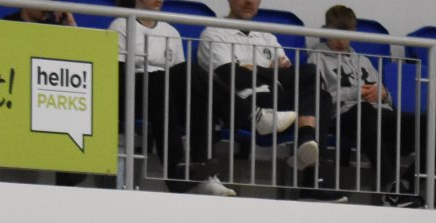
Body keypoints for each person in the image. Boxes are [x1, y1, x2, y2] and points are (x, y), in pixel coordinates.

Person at [115, 0, 238, 196]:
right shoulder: (121, 25)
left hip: (163, 94)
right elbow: (118, 74)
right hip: (132, 94)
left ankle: (204, 174)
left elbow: (181, 81)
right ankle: (241, 111)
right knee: (170, 78)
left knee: (198, 97)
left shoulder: (171, 30)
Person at [198, 0, 320, 177]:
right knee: (312, 96)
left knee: (315, 82)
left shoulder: (267, 37)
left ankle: (307, 150)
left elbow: (289, 76)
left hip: (278, 100)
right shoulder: (214, 33)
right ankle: (311, 173)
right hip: (243, 105)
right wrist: (270, 71)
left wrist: (253, 68)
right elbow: (233, 77)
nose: (250, 2)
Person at [309, 5, 415, 200]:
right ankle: (392, 184)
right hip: (343, 116)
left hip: (377, 112)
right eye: (336, 33)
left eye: (347, 34)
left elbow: (387, 98)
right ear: (326, 30)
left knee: (420, 124)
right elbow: (321, 99)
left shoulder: (363, 60)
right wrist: (356, 93)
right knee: (365, 111)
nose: (342, 40)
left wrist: (383, 94)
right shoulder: (317, 58)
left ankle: (410, 182)